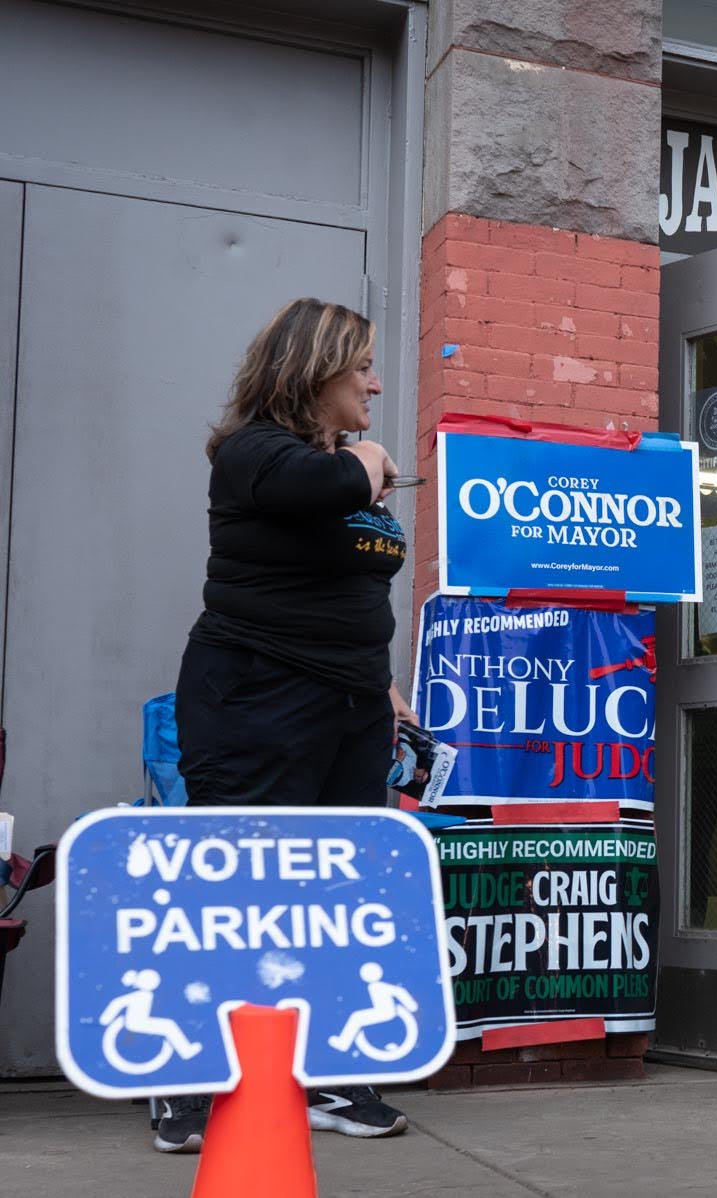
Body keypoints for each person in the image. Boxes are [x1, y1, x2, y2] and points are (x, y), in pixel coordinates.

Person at [155, 298, 415, 1153]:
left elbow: (358, 590)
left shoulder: (346, 463)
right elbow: (324, 486)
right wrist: (369, 460)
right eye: (363, 368)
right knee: (238, 895)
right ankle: (188, 1082)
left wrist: (380, 689)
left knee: (335, 897)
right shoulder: (252, 453)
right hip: (256, 698)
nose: (377, 384)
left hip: (350, 706)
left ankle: (327, 1077)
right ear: (314, 371)